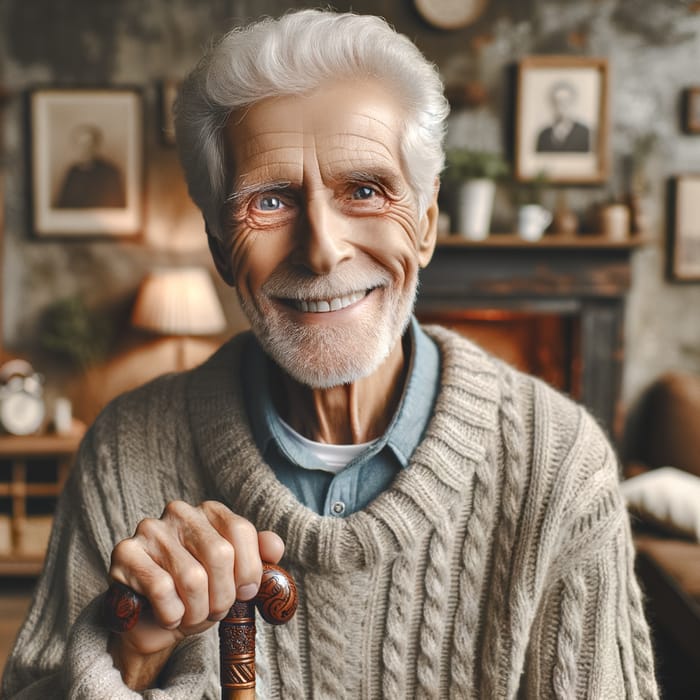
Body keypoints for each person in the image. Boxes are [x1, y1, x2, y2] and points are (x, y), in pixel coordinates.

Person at [3, 10, 658, 699]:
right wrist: (131, 655)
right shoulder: (123, 451)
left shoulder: (560, 464)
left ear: (427, 224)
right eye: (271, 199)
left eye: (366, 190)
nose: (321, 249)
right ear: (222, 248)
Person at [55, 123, 126, 208]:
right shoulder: (72, 171)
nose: (85, 149)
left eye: (89, 144)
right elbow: (61, 205)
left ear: (96, 145)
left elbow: (117, 207)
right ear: (75, 146)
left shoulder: (110, 172)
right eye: (81, 145)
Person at [535, 80, 591, 153]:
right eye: (557, 102)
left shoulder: (584, 133)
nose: (561, 106)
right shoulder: (544, 135)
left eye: (565, 101)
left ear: (572, 103)